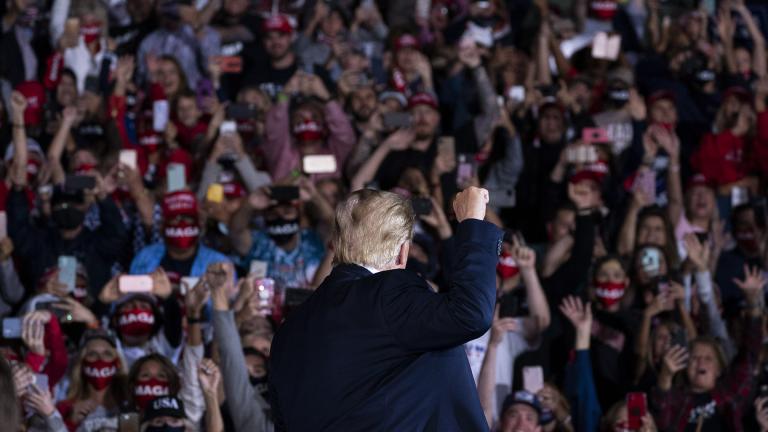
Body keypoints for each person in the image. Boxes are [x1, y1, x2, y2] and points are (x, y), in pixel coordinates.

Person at [269, 186, 502, 430]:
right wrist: (473, 222)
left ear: (335, 246)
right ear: (403, 253)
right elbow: (471, 314)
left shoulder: (287, 332)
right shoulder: (387, 294)